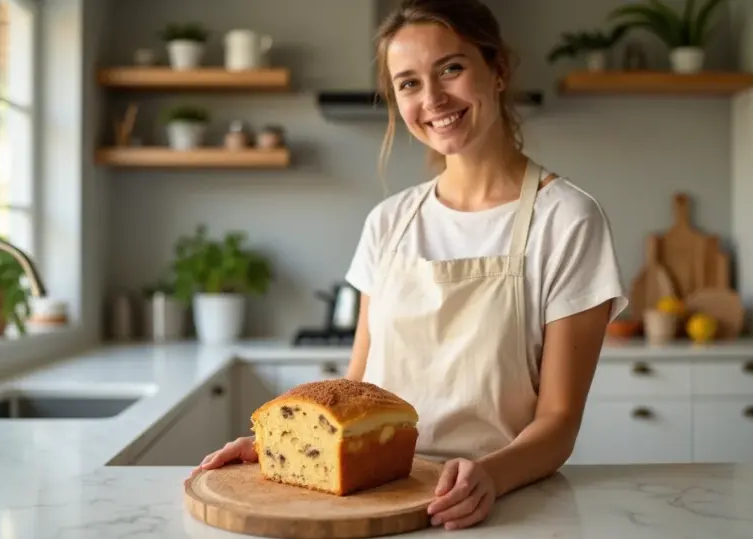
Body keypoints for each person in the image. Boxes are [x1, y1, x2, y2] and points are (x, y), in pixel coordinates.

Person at [194, 0, 628, 531]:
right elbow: (356, 385)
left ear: (498, 69)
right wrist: (281, 443)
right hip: (371, 499)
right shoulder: (388, 221)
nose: (433, 98)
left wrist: (487, 477)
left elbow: (559, 421)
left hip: (496, 506)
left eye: (451, 68)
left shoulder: (568, 219)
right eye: (408, 83)